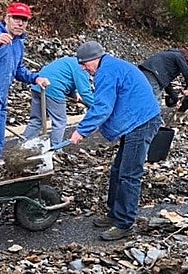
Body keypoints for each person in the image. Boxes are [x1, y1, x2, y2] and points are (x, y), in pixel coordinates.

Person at [69, 41, 161, 241]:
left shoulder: (106, 72)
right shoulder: (110, 67)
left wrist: (81, 131)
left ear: (95, 59)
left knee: (129, 174)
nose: (84, 69)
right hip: (135, 120)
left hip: (142, 122)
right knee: (117, 170)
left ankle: (125, 223)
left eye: (85, 64)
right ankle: (114, 213)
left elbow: (103, 107)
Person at [0, 2, 50, 164]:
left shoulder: (18, 43)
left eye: (24, 20)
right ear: (7, 18)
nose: (20, 23)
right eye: (17, 19)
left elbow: (19, 70)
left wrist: (35, 78)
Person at [22, 56, 95, 147]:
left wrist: (74, 94)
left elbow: (63, 76)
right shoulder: (83, 68)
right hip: (53, 88)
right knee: (60, 121)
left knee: (36, 120)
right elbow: (85, 93)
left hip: (38, 85)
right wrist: (97, 107)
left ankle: (23, 146)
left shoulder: (71, 61)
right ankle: (55, 149)